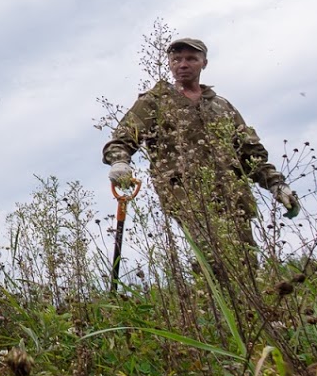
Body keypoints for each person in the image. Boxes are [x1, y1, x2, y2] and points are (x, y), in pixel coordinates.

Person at [102, 37, 298, 281]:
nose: (183, 64)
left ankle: (248, 314)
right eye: (177, 59)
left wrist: (277, 184)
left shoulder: (221, 106)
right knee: (213, 258)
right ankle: (214, 310)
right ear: (170, 64)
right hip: (187, 195)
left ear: (204, 63)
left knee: (246, 261)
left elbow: (250, 154)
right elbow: (123, 139)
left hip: (233, 194)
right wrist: (120, 162)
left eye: (191, 59)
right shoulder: (155, 101)